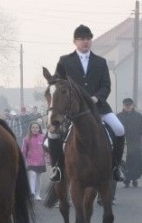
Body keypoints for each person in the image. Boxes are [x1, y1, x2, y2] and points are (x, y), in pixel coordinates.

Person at [47, 24, 126, 183]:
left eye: (88, 38)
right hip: (72, 110)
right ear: (75, 41)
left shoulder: (101, 62)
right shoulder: (65, 61)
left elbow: (106, 85)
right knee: (52, 133)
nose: (85, 41)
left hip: (98, 108)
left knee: (119, 128)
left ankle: (116, 166)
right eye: (82, 39)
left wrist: (97, 98)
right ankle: (57, 168)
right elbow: (57, 82)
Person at [117, 98, 142, 188]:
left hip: (135, 143)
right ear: (123, 106)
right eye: (126, 105)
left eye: (129, 105)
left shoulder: (138, 116)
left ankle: (134, 178)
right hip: (123, 143)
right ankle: (127, 179)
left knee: (136, 162)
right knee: (124, 162)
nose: (128, 106)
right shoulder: (118, 116)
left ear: (132, 105)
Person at [21, 122, 48, 200]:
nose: (35, 129)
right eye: (33, 127)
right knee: (33, 175)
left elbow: (46, 150)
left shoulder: (43, 137)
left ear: (39, 129)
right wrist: (22, 160)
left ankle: (37, 194)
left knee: (38, 178)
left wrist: (48, 159)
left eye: (36, 127)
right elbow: (23, 151)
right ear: (30, 129)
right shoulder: (26, 139)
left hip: (41, 162)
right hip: (31, 161)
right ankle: (32, 192)